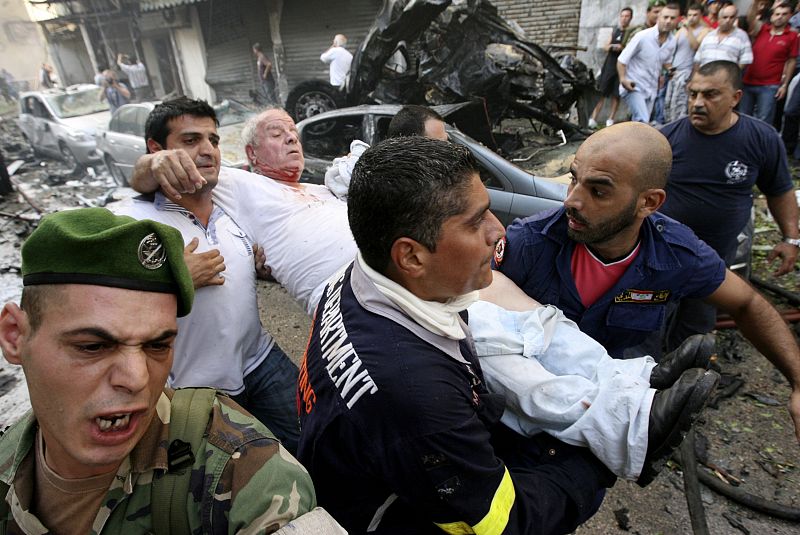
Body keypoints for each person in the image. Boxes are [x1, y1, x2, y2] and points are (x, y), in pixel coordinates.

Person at [298, 136, 617, 534]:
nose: (498, 230)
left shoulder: (358, 278)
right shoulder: (416, 393)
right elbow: (502, 523)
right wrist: (593, 464)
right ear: (411, 256)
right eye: (475, 220)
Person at [0, 207, 319, 532]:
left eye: (157, 346)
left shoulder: (239, 467)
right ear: (15, 336)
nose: (137, 379)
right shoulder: (8, 455)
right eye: (92, 347)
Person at [494, 121, 800, 443]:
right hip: (517, 418)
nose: (572, 200)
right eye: (574, 179)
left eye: (598, 190)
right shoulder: (529, 243)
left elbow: (747, 303)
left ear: (649, 203)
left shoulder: (678, 256)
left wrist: (796, 380)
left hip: (604, 426)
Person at [115, 97, 301, 454]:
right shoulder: (131, 221)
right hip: (198, 389)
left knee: (317, 443)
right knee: (243, 479)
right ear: (157, 149)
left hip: (260, 360)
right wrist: (174, 279)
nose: (208, 150)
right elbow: (103, 309)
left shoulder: (234, 200)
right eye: (190, 140)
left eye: (213, 140)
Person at [131, 107, 357, 316]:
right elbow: (154, 176)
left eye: (294, 133)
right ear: (252, 154)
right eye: (277, 134)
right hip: (347, 295)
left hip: (382, 267)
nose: (292, 138)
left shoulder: (322, 189)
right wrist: (154, 162)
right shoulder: (235, 183)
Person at [659, 60, 799, 352]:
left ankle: (686, 383)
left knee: (695, 332)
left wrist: (790, 238)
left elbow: (780, 190)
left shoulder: (761, 139)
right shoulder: (666, 139)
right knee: (647, 326)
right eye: (693, 93)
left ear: (736, 97)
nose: (697, 103)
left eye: (710, 95)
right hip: (662, 256)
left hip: (715, 259)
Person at [617, 3, 679, 123]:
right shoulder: (642, 36)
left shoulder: (672, 42)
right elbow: (621, 60)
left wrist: (670, 70)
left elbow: (665, 62)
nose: (668, 21)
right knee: (643, 120)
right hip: (634, 86)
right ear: (659, 17)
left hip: (651, 89)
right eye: (665, 17)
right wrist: (623, 79)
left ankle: (627, 141)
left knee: (639, 126)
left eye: (672, 18)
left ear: (677, 20)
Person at [740, 2, 798, 124]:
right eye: (777, 14)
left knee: (763, 121)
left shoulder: (792, 36)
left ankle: (760, 143)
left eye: (784, 14)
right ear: (771, 15)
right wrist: (755, 3)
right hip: (748, 81)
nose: (779, 17)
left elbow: (791, 61)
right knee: (742, 118)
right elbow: (750, 19)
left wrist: (784, 85)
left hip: (770, 85)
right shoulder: (761, 29)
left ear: (790, 16)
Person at [664, 3, 710, 123]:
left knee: (679, 106)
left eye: (695, 15)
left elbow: (695, 46)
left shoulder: (705, 30)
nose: (691, 17)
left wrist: (689, 29)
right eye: (689, 15)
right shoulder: (682, 29)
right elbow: (671, 47)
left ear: (701, 16)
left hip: (687, 72)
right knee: (668, 104)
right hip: (674, 72)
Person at [590, 7, 633, 129]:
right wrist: (613, 46)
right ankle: (593, 118)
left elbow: (630, 50)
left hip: (621, 68)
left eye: (627, 16)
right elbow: (605, 46)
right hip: (609, 66)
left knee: (616, 94)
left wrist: (622, 48)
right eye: (622, 16)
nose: (624, 19)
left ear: (630, 18)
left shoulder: (630, 33)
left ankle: (611, 119)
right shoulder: (615, 31)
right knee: (602, 92)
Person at [694, 4, 753, 68]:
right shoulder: (709, 36)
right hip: (705, 76)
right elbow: (698, 59)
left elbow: (745, 60)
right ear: (718, 19)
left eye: (731, 17)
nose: (728, 20)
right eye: (725, 17)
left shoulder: (742, 36)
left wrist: (733, 75)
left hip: (727, 77)